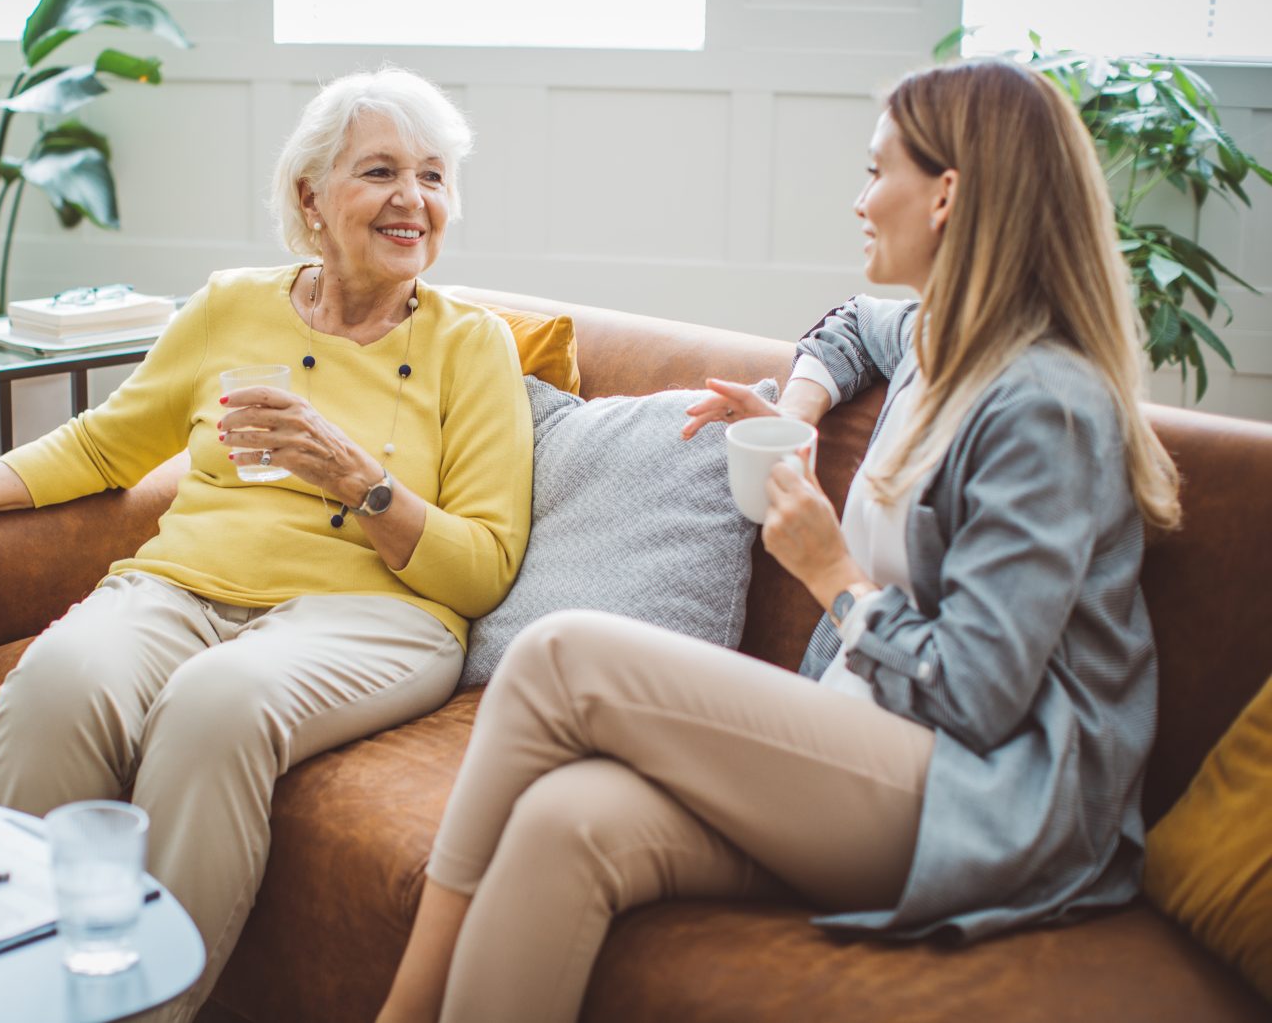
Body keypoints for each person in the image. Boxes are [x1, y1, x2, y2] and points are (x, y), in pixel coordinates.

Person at [377, 58, 1182, 1023]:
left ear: (947, 195)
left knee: (562, 653)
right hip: (868, 740)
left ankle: (402, 1009)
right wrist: (794, 410)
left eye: (877, 170)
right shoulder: (942, 337)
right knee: (566, 820)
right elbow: (849, 330)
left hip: (982, 799)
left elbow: (978, 697)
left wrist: (831, 571)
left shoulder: (1044, 408)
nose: (859, 199)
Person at [0, 66, 532, 1016]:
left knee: (213, 705)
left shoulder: (472, 346)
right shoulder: (232, 305)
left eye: (433, 177)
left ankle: (146, 1009)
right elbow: (106, 441)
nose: (413, 200)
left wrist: (357, 477)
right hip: (180, 589)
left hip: (375, 615)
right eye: (381, 171)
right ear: (311, 196)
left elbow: (481, 568)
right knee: (59, 683)